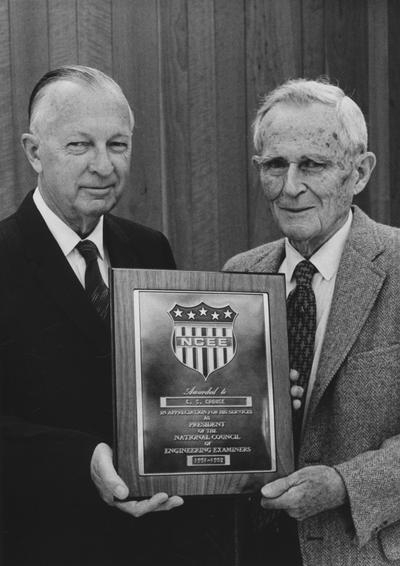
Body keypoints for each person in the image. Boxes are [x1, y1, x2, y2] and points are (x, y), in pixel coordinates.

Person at [0, 65, 184, 566]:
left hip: (157, 541)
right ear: (34, 152)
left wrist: (256, 388)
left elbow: (172, 381)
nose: (104, 166)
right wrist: (82, 461)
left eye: (117, 145)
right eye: (79, 146)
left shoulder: (150, 249)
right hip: (41, 542)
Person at [224, 78, 400, 565]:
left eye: (314, 164)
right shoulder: (238, 276)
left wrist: (345, 484)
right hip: (251, 548)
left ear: (359, 172)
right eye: (275, 164)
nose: (291, 187)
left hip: (363, 550)